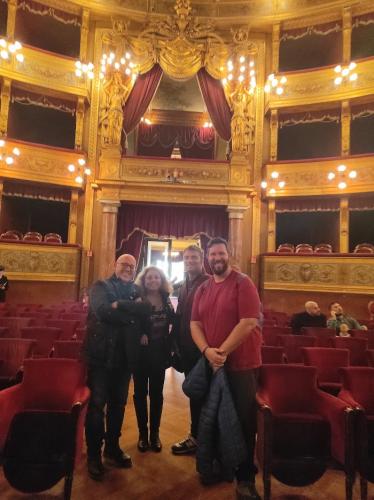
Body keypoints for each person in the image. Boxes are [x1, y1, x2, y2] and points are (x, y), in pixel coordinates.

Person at [191, 237, 262, 500]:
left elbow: (248, 322)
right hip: (213, 363)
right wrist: (207, 351)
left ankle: (245, 477)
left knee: (243, 422)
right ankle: (222, 465)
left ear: (228, 255)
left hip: (241, 364)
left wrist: (221, 352)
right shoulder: (203, 288)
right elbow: (194, 325)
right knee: (215, 417)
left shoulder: (243, 283)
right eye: (212, 254)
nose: (216, 258)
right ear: (207, 258)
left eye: (221, 253)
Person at [83, 254, 151, 481]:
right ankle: (94, 455)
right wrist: (132, 312)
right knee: (96, 406)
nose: (128, 269)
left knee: (119, 405)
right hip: (100, 356)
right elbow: (104, 312)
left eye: (132, 266)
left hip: (125, 358)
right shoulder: (100, 286)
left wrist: (121, 306)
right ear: (115, 265)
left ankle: (112, 447)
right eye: (124, 264)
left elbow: (146, 311)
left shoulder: (137, 290)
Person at [171, 245, 209, 455]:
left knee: (201, 395)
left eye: (194, 257)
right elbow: (180, 315)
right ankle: (198, 436)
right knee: (195, 394)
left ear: (202, 259)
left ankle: (201, 439)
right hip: (186, 349)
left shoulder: (208, 282)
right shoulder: (185, 283)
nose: (190, 261)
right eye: (186, 258)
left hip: (201, 350)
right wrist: (174, 343)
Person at [133, 266, 175, 453]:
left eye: (156, 277)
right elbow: (130, 322)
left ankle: (154, 434)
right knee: (140, 395)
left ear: (161, 279)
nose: (153, 280)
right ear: (144, 280)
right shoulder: (137, 299)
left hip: (160, 352)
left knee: (157, 395)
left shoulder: (166, 299)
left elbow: (174, 320)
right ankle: (142, 434)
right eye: (149, 277)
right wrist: (140, 333)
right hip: (141, 353)